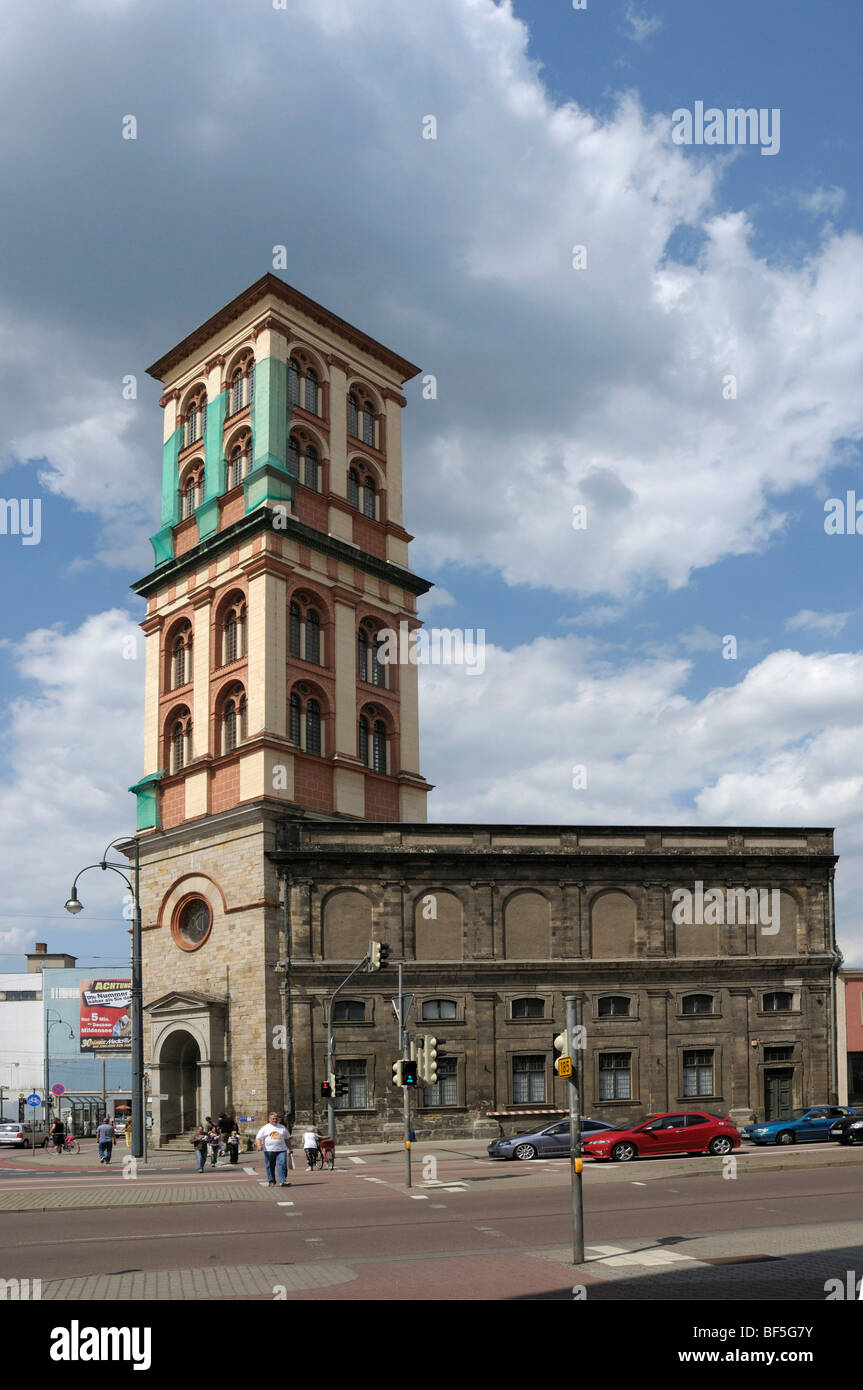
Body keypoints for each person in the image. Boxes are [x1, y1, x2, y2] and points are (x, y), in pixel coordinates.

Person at [255, 1112, 291, 1186]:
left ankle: (282, 1181)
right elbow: (258, 1138)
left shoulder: (282, 1127)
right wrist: (259, 1145)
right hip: (269, 1150)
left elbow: (287, 1139)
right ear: (269, 1119)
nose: (275, 1120)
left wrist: (290, 1148)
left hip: (281, 1149)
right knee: (270, 1165)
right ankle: (271, 1181)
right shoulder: (265, 1128)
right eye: (273, 1119)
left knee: (282, 1164)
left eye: (276, 1118)